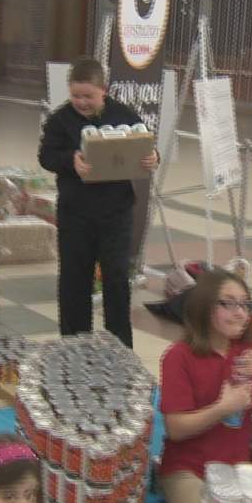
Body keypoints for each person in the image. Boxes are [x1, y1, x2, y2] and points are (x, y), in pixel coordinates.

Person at [36, 56, 159, 348]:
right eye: (76, 95)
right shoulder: (60, 120)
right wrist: (70, 161)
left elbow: (146, 147)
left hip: (115, 213)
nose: (81, 102)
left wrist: (153, 158)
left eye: (88, 96)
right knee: (74, 280)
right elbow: (45, 156)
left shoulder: (125, 114)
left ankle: (119, 348)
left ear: (104, 89)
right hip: (75, 213)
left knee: (116, 279)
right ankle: (74, 346)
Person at [157, 269, 252, 503]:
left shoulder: (249, 351)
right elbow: (176, 429)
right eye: (228, 303)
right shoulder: (178, 356)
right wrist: (222, 408)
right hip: (188, 469)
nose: (240, 313)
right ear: (204, 306)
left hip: (236, 469)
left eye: (245, 305)